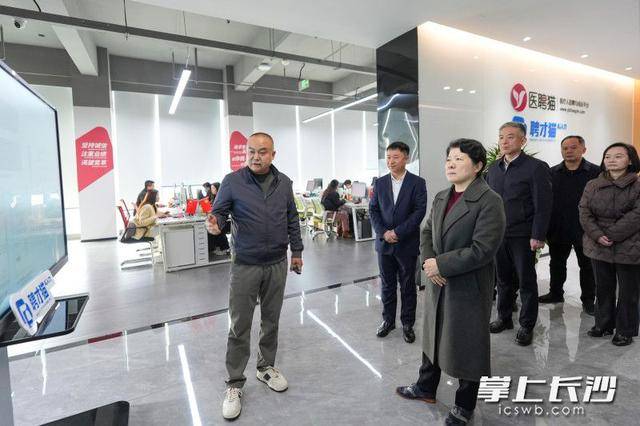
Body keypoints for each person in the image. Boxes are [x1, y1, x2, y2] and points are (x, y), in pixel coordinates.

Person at [397, 138, 505, 425]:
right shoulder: (442, 196)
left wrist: (441, 264)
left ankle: (464, 405)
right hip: (437, 280)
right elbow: (426, 232)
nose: (451, 164)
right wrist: (429, 263)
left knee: (468, 343)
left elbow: (483, 249)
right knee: (432, 334)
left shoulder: (489, 201)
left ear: (478, 166)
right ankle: (425, 387)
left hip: (468, 285)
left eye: (459, 159)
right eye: (449, 158)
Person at [207, 132, 303, 420]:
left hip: (276, 263)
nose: (255, 157)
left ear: (273, 154)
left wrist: (297, 251)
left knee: (271, 321)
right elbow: (219, 213)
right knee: (240, 325)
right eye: (251, 151)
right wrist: (215, 224)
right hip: (245, 265)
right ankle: (235, 383)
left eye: (262, 152)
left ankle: (265, 367)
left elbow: (292, 218)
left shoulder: (284, 183)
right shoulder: (232, 181)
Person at [486, 122, 552, 346]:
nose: (504, 141)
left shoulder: (535, 167)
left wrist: (538, 234)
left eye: (511, 137)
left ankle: (526, 325)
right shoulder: (493, 168)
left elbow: (543, 204)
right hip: (498, 234)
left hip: (523, 234)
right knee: (503, 279)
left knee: (526, 281)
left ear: (523, 140)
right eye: (501, 137)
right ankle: (504, 318)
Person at [579, 142, 640, 346]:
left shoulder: (637, 185)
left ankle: (625, 330)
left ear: (630, 160)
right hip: (598, 244)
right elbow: (584, 211)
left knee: (628, 291)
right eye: (608, 156)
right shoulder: (592, 184)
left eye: (618, 156)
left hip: (630, 244)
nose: (611, 160)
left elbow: (637, 215)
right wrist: (598, 235)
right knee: (603, 287)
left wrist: (611, 234)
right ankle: (603, 324)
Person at [369, 141, 427, 343]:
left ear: (406, 158)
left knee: (408, 285)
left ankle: (408, 324)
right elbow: (373, 210)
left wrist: (398, 232)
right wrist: (384, 232)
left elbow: (419, 212)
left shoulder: (417, 183)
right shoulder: (380, 183)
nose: (390, 161)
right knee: (387, 285)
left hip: (406, 243)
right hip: (384, 243)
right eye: (388, 157)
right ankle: (388, 321)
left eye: (395, 157)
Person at [541, 135, 599, 314]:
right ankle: (555, 293)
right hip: (558, 227)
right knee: (556, 263)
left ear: (584, 149)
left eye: (573, 147)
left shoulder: (596, 172)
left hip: (585, 229)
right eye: (565, 148)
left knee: (587, 266)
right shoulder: (552, 172)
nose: (568, 151)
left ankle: (588, 300)